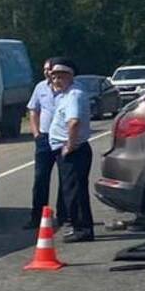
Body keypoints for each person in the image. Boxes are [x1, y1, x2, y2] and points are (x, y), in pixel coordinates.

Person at [48, 59, 95, 243]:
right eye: (54, 77)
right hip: (69, 149)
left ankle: (82, 229)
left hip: (74, 150)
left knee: (75, 191)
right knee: (72, 190)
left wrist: (70, 145)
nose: (56, 80)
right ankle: (78, 226)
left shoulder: (74, 95)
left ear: (70, 77)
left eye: (61, 76)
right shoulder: (65, 95)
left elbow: (73, 122)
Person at [25, 58, 68, 229]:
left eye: (49, 69)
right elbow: (33, 110)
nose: (47, 72)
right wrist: (36, 133)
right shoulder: (40, 87)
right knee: (41, 178)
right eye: (45, 69)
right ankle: (37, 217)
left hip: (62, 139)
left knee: (65, 179)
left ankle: (64, 216)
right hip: (44, 138)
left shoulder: (66, 88)